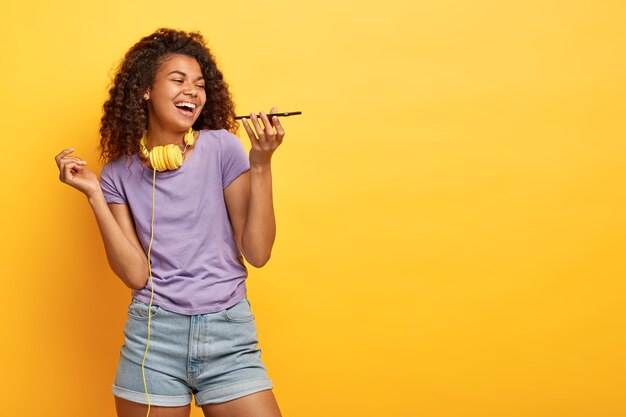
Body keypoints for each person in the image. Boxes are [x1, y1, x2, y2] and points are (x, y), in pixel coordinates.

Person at [54, 28, 284, 417]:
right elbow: (135, 275)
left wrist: (260, 164)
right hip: (153, 338)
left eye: (199, 84)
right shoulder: (117, 175)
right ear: (145, 90)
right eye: (178, 80)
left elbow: (258, 253)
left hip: (228, 331)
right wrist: (94, 194)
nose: (192, 91)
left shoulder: (223, 148)